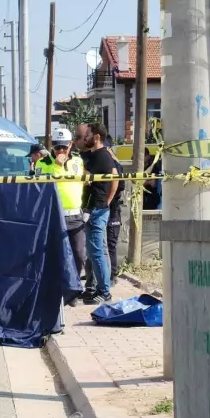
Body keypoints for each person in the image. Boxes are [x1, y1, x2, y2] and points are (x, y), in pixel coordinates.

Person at [35, 128, 86, 305]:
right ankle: (56, 290)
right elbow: (41, 186)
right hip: (54, 215)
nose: (61, 151)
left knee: (79, 254)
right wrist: (57, 165)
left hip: (75, 215)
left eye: (64, 147)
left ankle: (73, 288)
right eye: (57, 148)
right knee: (56, 255)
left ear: (71, 145)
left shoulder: (78, 161)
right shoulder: (42, 163)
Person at [77, 122, 119, 304]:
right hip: (93, 208)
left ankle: (104, 291)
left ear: (96, 137)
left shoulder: (102, 156)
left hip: (97, 209)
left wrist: (106, 203)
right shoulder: (94, 155)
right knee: (96, 251)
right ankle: (97, 289)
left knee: (97, 253)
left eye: (87, 135)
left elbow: (114, 180)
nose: (84, 138)